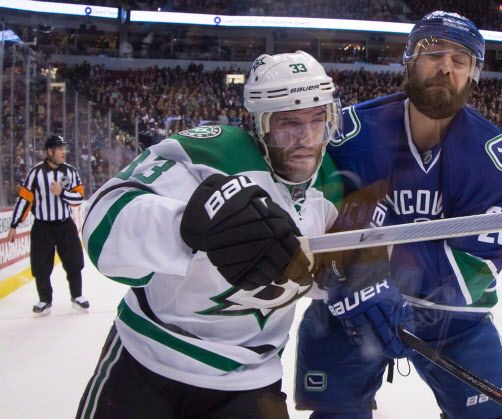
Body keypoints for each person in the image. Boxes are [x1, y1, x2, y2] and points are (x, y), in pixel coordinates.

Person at [76, 51, 343, 419]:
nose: (307, 139)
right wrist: (189, 225)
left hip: (251, 384)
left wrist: (355, 280)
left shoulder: (334, 187)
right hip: (147, 364)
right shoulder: (212, 154)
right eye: (288, 122)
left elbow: (325, 277)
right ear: (261, 124)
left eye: (318, 120)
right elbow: (103, 223)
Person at [295, 11, 502, 418]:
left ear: (474, 73)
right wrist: (360, 279)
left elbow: (474, 271)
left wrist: (379, 256)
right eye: (432, 52)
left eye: (461, 60)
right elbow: (313, 221)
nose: (445, 66)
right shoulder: (348, 134)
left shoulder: (498, 160)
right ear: (409, 59)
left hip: (452, 321)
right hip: (350, 308)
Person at [8, 135, 88, 317]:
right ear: (50, 151)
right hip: (43, 226)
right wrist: (14, 224)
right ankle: (45, 300)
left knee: (74, 261)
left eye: (64, 149)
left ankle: (77, 296)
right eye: (59, 149)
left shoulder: (69, 172)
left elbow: (78, 198)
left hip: (65, 224)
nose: (63, 152)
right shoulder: (35, 173)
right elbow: (24, 199)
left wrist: (62, 193)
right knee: (40, 265)